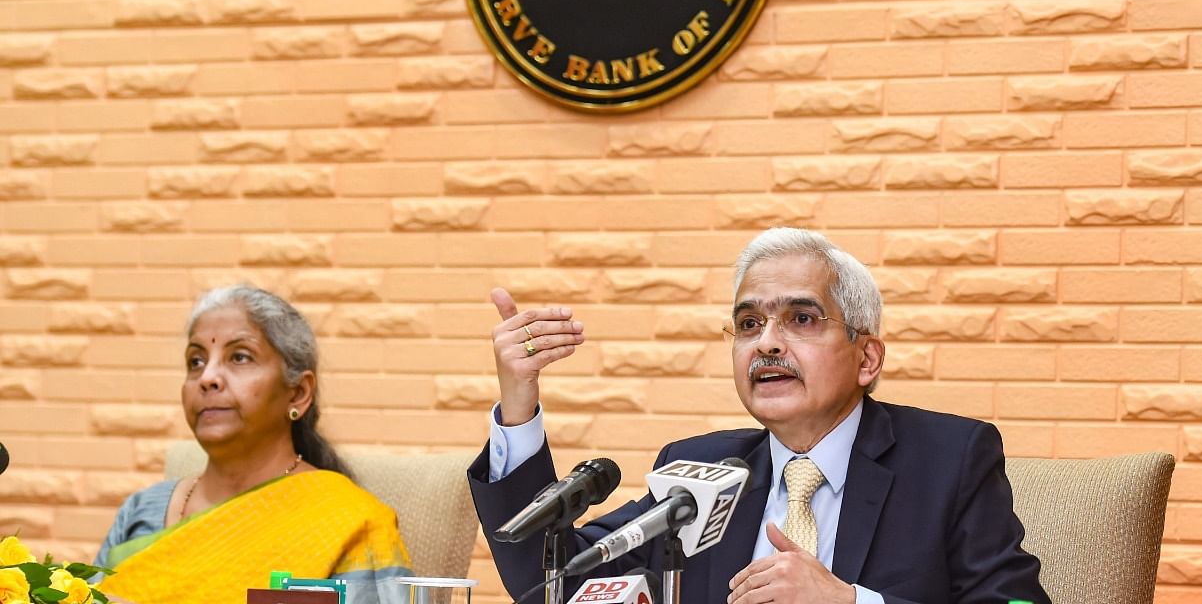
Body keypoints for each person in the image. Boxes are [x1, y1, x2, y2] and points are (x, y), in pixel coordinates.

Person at [468, 227, 1049, 604]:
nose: (766, 343)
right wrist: (518, 400)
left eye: (800, 319)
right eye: (748, 324)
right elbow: (554, 583)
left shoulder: (950, 461)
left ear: (866, 357)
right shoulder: (699, 470)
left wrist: (851, 603)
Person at [94, 285, 412, 604]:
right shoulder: (140, 511)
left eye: (240, 357)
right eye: (195, 361)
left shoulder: (350, 522)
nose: (208, 377)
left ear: (298, 393)